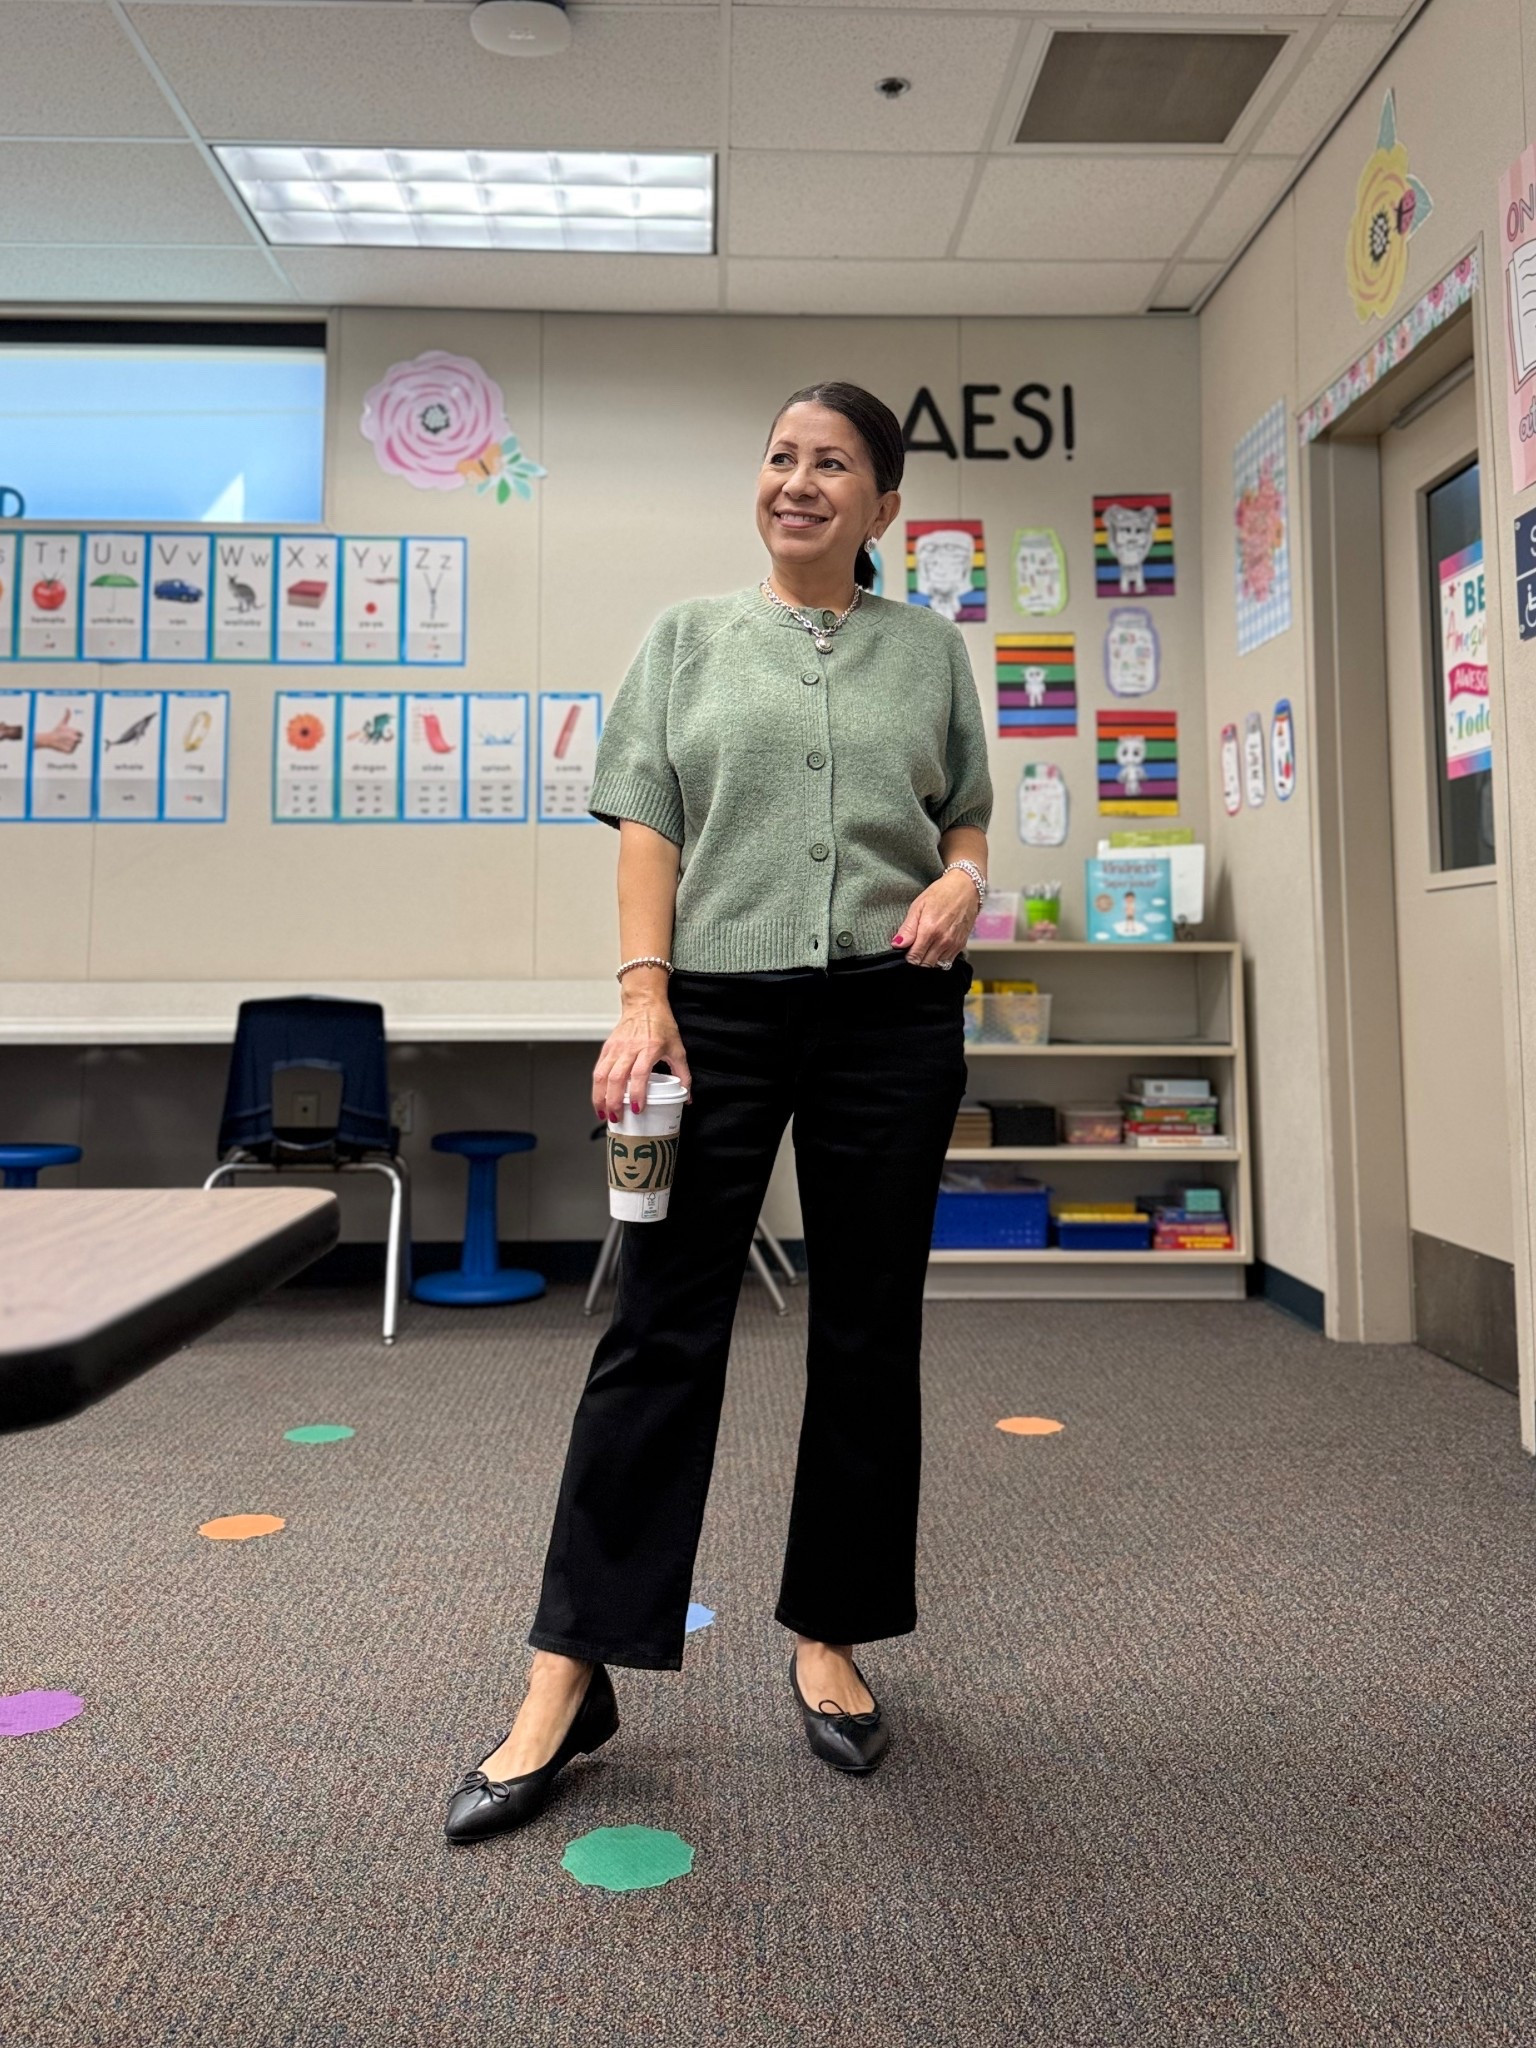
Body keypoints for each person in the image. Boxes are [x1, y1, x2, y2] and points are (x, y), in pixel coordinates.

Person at [445, 380, 994, 1844]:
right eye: (779, 457)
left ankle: (832, 1630)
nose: (797, 482)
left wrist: (964, 878)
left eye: (831, 464)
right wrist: (643, 994)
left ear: (885, 504)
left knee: (870, 1322)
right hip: (718, 1012)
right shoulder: (688, 641)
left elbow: (965, 817)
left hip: (893, 1009)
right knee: (661, 1325)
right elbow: (648, 821)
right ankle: (568, 1673)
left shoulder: (931, 652)